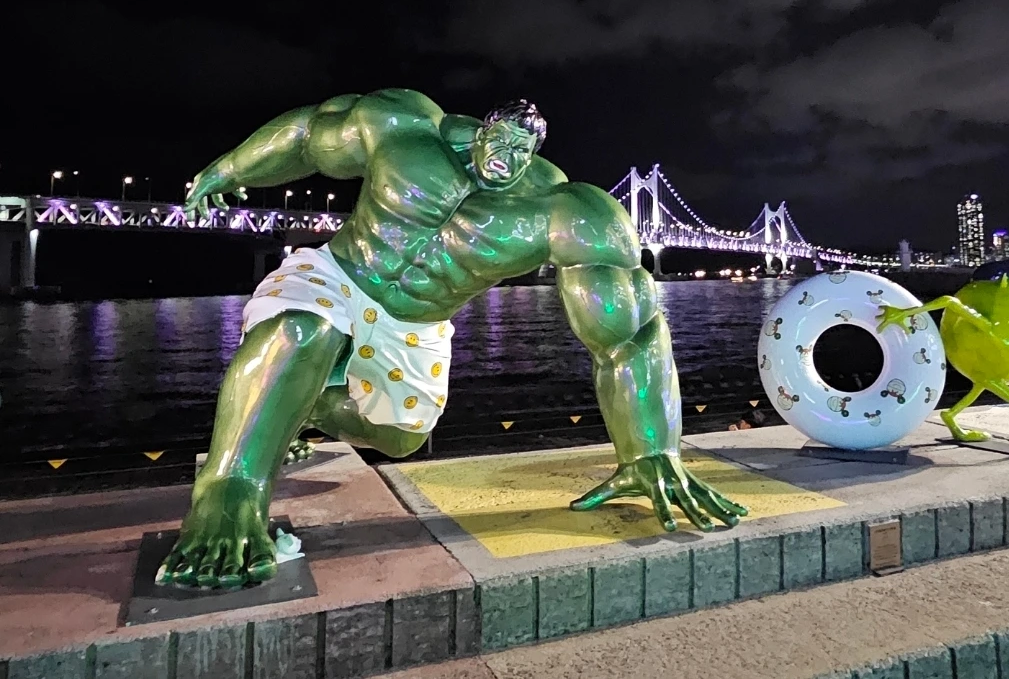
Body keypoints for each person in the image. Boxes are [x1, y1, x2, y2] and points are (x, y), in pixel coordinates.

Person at [161, 89, 746, 588]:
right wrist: (230, 170)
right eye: (500, 140)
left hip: (415, 324)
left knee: (401, 439)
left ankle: (297, 404)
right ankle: (230, 490)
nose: (506, 157)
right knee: (300, 331)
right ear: (482, 130)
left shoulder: (562, 211)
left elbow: (628, 335)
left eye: (521, 150)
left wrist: (649, 450)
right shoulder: (406, 130)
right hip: (338, 275)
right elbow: (311, 135)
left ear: (536, 156)